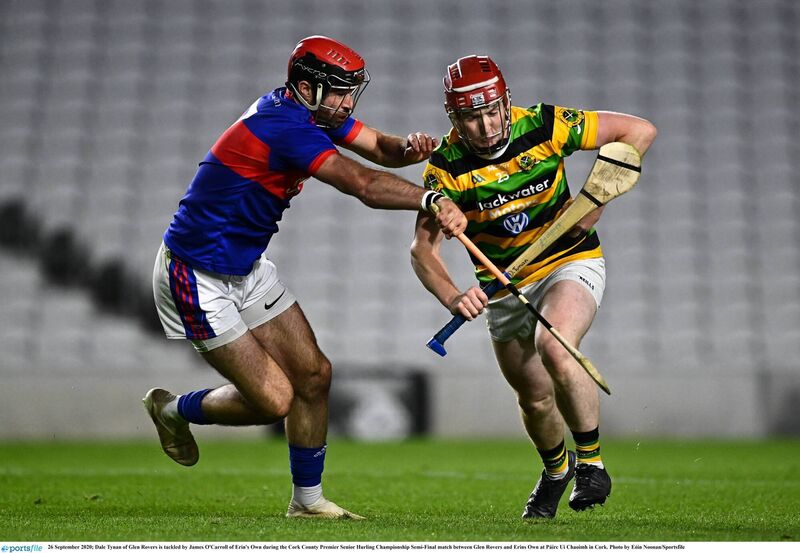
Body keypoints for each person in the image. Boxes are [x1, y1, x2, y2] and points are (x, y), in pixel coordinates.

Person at [143, 35, 466, 520]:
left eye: (350, 91)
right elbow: (361, 185)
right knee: (275, 400)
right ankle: (172, 410)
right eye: (338, 91)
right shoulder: (283, 125)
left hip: (245, 267)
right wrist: (430, 199)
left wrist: (412, 149)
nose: (346, 102)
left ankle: (307, 503)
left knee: (315, 375)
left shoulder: (312, 113)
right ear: (304, 86)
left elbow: (378, 148)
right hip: (196, 274)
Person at [410, 55, 656, 519]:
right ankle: (556, 471)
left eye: (490, 112)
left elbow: (639, 131)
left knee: (557, 345)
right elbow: (422, 252)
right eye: (470, 117)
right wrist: (453, 295)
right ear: (454, 118)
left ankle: (592, 464)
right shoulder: (444, 169)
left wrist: (594, 202)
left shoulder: (545, 125)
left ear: (505, 103)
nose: (484, 127)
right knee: (535, 397)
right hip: (504, 289)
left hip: (569, 261)